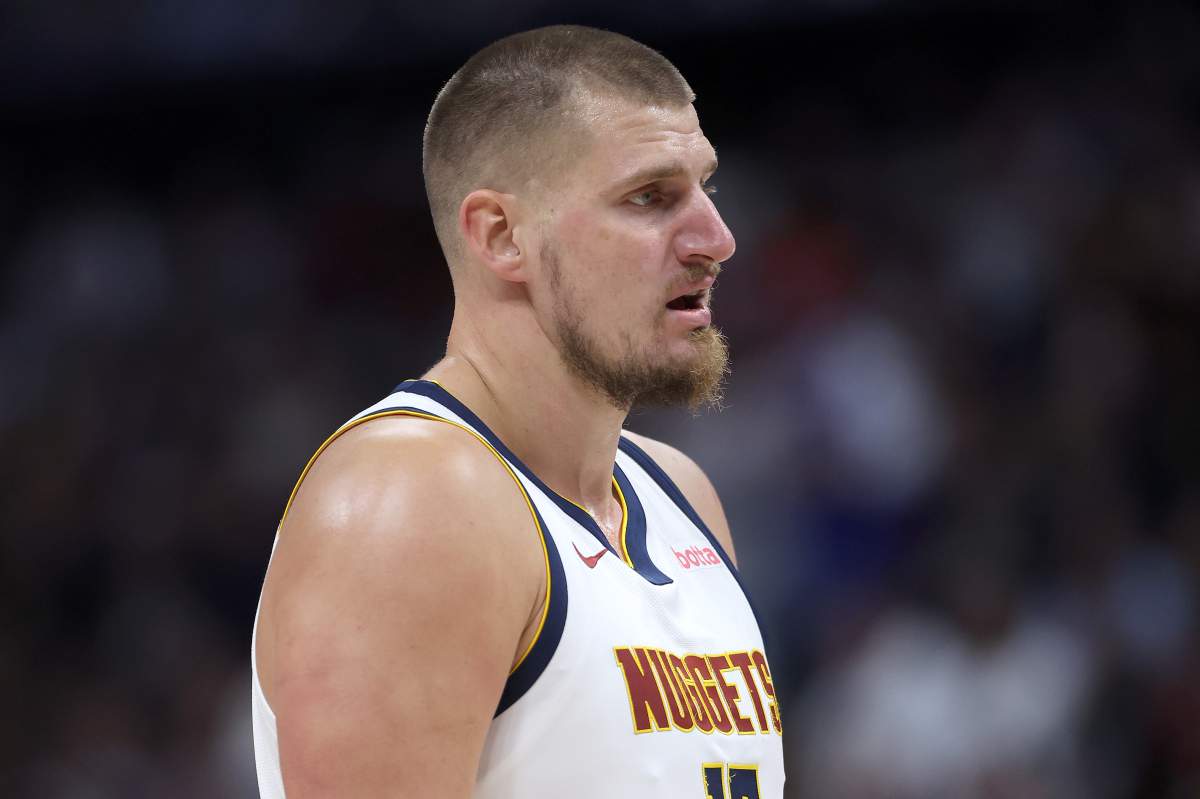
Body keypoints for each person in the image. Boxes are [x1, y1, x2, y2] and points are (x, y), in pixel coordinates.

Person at [251, 24, 784, 798]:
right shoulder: (409, 501)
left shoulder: (680, 494)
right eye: (649, 197)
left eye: (707, 187)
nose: (717, 238)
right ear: (502, 236)